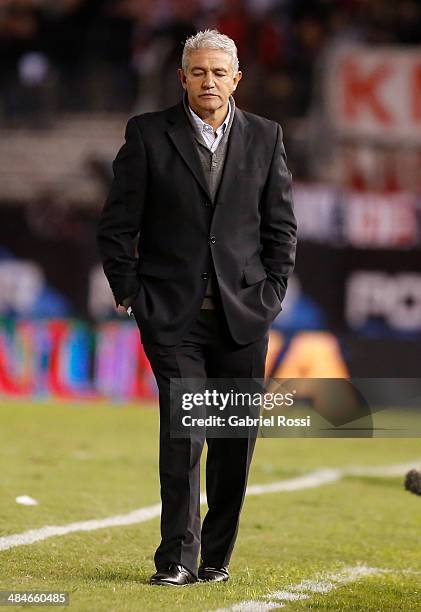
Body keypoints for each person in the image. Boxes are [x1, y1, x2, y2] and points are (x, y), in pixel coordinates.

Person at [97, 29, 297, 586]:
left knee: (234, 442)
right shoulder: (146, 134)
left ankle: (215, 557)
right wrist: (130, 292)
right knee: (186, 432)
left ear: (237, 79)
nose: (209, 82)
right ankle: (177, 559)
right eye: (198, 72)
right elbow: (117, 226)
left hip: (245, 315)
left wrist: (272, 292)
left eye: (219, 72)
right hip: (171, 315)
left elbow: (281, 226)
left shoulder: (266, 136)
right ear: (182, 77)